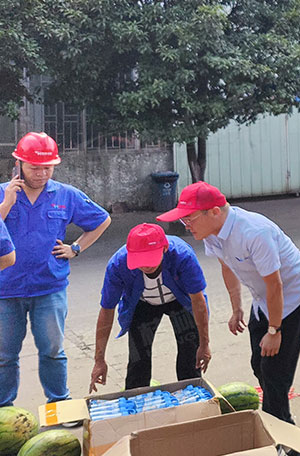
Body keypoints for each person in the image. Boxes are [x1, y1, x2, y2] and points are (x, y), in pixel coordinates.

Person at [156, 182, 300, 425]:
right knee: (258, 363)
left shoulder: (254, 232)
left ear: (215, 212)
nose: (186, 226)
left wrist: (275, 330)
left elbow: (276, 285)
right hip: (263, 297)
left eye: (190, 218)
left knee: (275, 372)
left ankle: (287, 438)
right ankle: (278, 413)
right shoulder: (211, 233)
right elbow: (227, 267)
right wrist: (237, 307)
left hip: (291, 296)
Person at [0, 132, 111, 407]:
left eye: (47, 167)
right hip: (5, 288)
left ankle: (59, 402)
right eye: (35, 167)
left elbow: (101, 220)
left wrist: (76, 248)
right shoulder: (2, 193)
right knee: (4, 355)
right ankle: (4, 409)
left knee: (52, 350)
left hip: (49, 286)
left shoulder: (66, 195)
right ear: (18, 164)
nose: (41, 173)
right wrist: (5, 206)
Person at [90, 223, 211, 392]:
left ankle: (193, 402)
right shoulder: (118, 265)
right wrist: (99, 360)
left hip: (179, 301)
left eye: (150, 259)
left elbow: (198, 302)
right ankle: (136, 407)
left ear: (164, 249)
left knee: (190, 358)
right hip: (142, 303)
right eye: (140, 260)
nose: (146, 265)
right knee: (138, 360)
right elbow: (107, 310)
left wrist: (204, 344)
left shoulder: (183, 256)